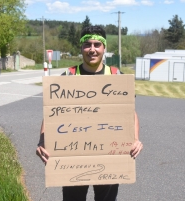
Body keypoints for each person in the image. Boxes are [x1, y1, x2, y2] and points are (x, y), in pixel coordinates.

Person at [36, 25, 143, 201]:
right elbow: (51, 113)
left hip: (110, 156)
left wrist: (135, 139)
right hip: (73, 159)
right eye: (87, 45)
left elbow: (130, 113)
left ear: (104, 48)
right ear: (81, 48)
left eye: (96, 44)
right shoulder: (68, 77)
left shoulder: (116, 77)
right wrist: (42, 140)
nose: (92, 49)